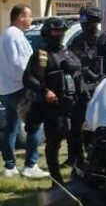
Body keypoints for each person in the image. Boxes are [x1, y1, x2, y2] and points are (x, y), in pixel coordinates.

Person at [23, 18, 83, 187]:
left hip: (72, 106)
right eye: (54, 32)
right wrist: (45, 91)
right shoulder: (40, 55)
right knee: (53, 144)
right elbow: (27, 78)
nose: (57, 35)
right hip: (52, 108)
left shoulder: (68, 53)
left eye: (60, 32)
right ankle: (56, 181)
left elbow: (79, 77)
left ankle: (78, 176)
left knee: (76, 141)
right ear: (47, 34)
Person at [0, 5, 47, 178]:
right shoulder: (15, 36)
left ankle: (10, 166)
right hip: (19, 88)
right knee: (35, 126)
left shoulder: (6, 35)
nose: (31, 19)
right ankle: (30, 165)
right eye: (29, 16)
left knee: (11, 128)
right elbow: (19, 65)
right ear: (20, 17)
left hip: (6, 89)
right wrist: (32, 83)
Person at [66, 6, 106, 168]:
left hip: (99, 90)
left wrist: (103, 81)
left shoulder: (105, 41)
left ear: (95, 22)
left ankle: (94, 158)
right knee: (75, 126)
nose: (83, 25)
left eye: (86, 21)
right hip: (80, 89)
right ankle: (74, 158)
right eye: (82, 21)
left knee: (95, 127)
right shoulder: (77, 41)